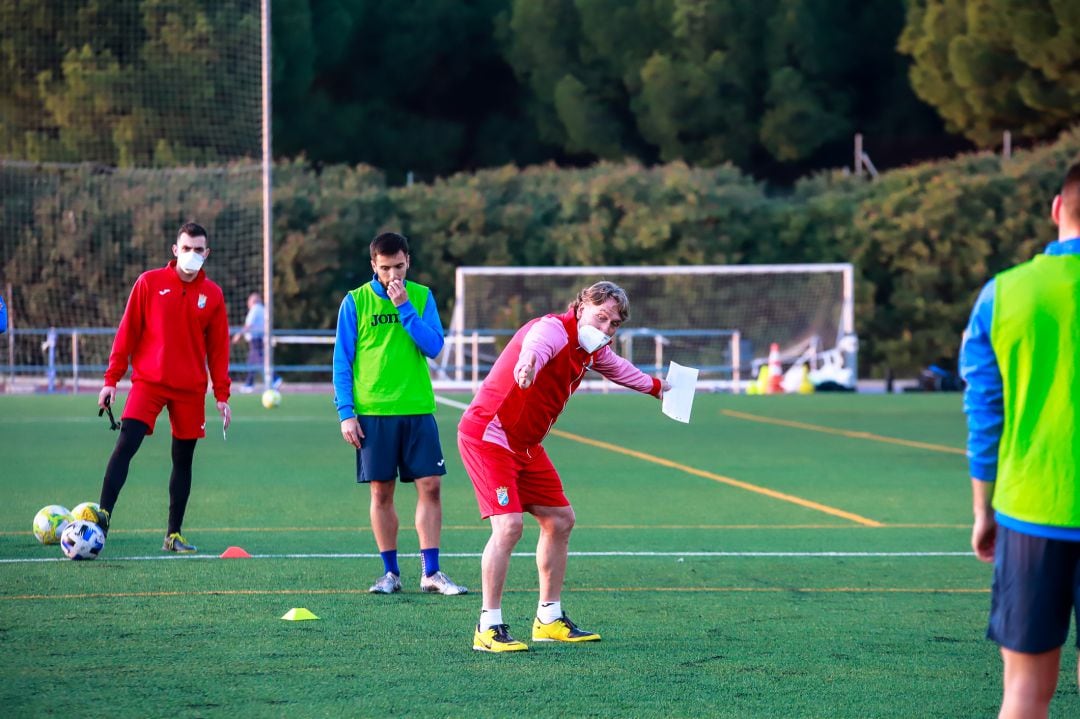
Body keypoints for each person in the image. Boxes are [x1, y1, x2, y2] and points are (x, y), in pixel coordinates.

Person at [458, 281, 670, 652]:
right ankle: (487, 627)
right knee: (508, 527)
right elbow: (536, 346)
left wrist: (658, 387)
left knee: (559, 519)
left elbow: (621, 369)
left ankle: (549, 618)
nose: (606, 328)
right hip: (490, 437)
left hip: (525, 446)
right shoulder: (553, 328)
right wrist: (527, 364)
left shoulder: (590, 348)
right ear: (581, 307)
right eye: (601, 317)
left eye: (614, 324)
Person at [961, 160, 1080, 717]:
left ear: (1058, 208)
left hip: (1031, 510)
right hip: (1035, 509)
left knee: (1025, 691)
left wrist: (983, 510)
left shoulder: (1002, 293)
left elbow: (984, 412)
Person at [333, 231, 466, 596]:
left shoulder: (421, 297)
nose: (394, 275)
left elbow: (435, 347)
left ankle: (432, 572)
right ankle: (390, 573)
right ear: (374, 266)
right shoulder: (355, 301)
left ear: (409, 261)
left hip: (417, 408)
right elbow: (342, 361)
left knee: (431, 487)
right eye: (386, 267)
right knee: (381, 492)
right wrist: (346, 412)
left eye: (400, 267)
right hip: (373, 412)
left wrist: (405, 308)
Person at [88, 221, 232, 553]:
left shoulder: (212, 295)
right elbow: (127, 333)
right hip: (148, 384)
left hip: (190, 390)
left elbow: (220, 349)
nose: (192, 255)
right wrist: (111, 381)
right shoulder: (149, 283)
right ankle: (101, 520)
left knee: (183, 460)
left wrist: (222, 395)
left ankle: (174, 535)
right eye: (187, 248)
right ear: (174, 250)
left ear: (206, 253)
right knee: (126, 445)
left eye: (198, 250)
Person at [233, 292, 265, 392]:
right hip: (259, 339)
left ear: (253, 301)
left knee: (258, 360)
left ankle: (274, 378)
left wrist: (239, 335)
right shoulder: (262, 309)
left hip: (255, 339)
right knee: (252, 362)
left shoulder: (255, 309)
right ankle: (249, 384)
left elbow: (249, 325)